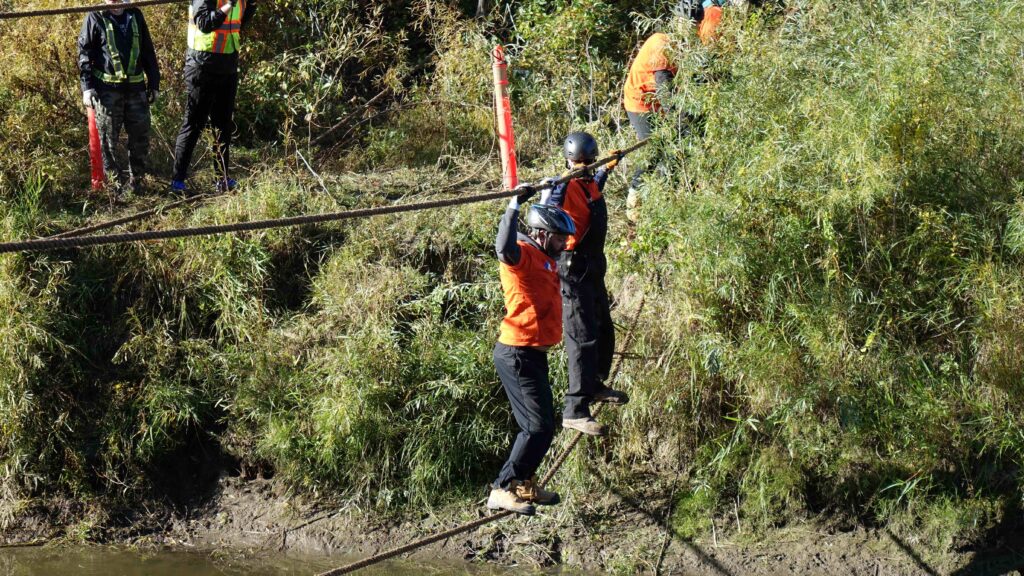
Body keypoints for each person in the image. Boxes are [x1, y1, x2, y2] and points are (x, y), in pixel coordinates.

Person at [487, 187, 576, 516]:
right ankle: (502, 488)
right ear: (541, 234)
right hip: (517, 352)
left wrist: (549, 190)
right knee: (537, 428)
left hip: (532, 355)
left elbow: (548, 213)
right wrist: (513, 207)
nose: (565, 245)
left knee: (542, 426)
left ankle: (523, 483)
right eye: (559, 239)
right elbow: (503, 248)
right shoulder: (522, 254)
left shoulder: (545, 256)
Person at [542, 132, 629, 438]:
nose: (580, 166)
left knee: (603, 328)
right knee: (581, 337)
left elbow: (594, 195)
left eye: (585, 162)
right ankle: (575, 410)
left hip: (593, 265)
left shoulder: (589, 182)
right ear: (568, 161)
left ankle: (594, 384)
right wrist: (559, 181)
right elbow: (551, 205)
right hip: (573, 265)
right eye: (575, 162)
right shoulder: (563, 186)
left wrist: (607, 169)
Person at [170, 0, 256, 194]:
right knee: (193, 124)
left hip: (228, 65)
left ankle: (222, 179)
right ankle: (177, 182)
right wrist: (228, 5)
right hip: (202, 65)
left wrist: (251, 5)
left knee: (222, 125)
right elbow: (204, 23)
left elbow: (239, 24)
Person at [78, 0, 160, 196]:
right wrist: (87, 88)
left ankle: (136, 183)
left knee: (140, 138)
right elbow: (84, 53)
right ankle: (114, 187)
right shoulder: (95, 16)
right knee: (108, 142)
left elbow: (148, 51)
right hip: (106, 92)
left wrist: (154, 84)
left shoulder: (136, 14)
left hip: (136, 90)